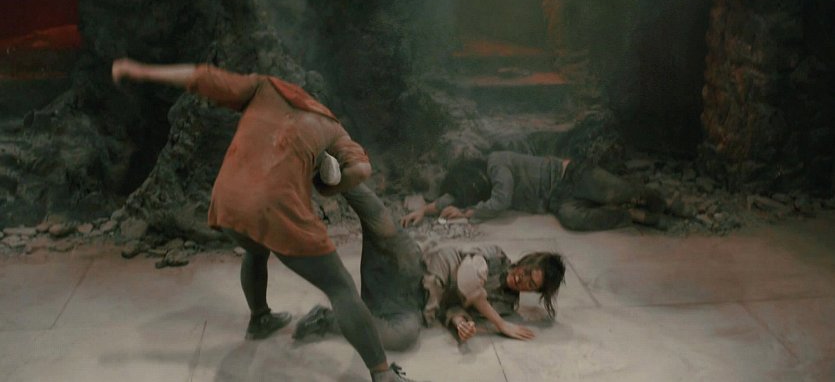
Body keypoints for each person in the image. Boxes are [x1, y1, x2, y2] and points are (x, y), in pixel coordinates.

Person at [111, 58, 420, 382]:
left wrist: (141, 71)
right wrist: (328, 187)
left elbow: (201, 77)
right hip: (274, 210)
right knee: (340, 287)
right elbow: (362, 169)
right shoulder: (332, 127)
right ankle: (382, 374)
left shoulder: (264, 88)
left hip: (228, 202)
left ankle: (260, 318)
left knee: (255, 249)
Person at [293, 183, 566, 347]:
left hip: (414, 303)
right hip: (412, 267)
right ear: (525, 262)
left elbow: (456, 308)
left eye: (531, 284)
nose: (521, 280)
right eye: (526, 272)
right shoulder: (495, 256)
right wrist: (500, 325)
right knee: (386, 226)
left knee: (404, 337)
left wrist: (461, 324)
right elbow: (467, 279)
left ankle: (326, 319)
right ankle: (343, 176)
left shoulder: (506, 305)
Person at [401, 151, 667, 232]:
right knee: (573, 219)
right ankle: (631, 216)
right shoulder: (479, 186)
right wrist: (423, 210)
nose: (473, 191)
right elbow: (455, 196)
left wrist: (467, 213)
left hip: (571, 175)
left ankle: (669, 203)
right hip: (558, 199)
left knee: (618, 191)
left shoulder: (496, 163)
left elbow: (501, 200)